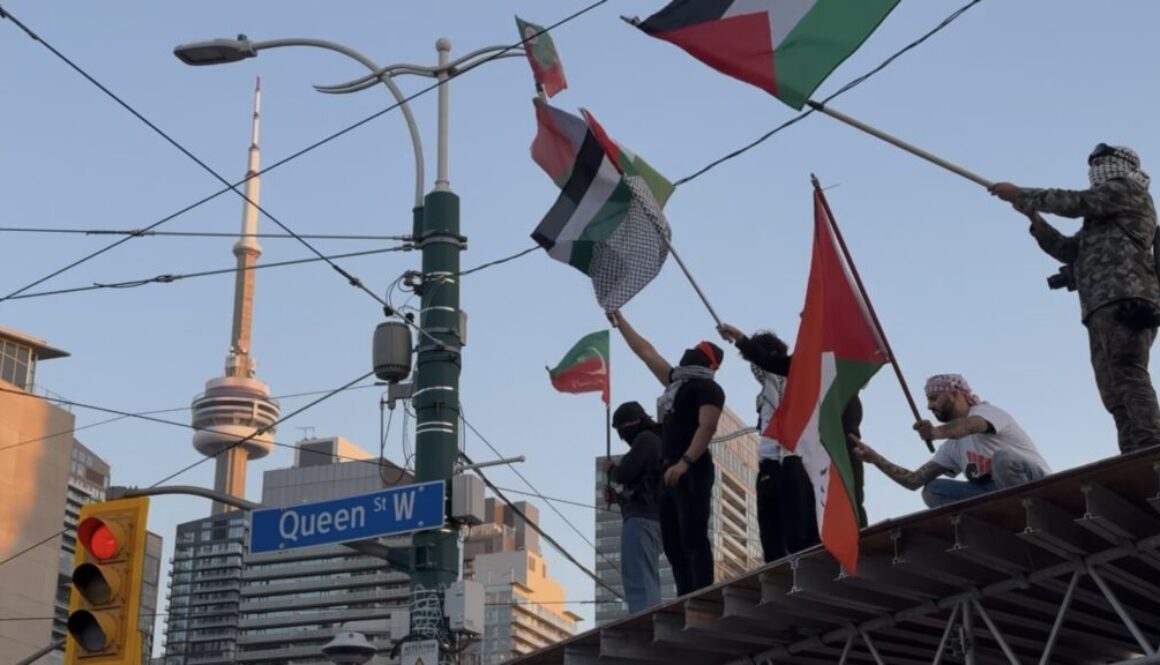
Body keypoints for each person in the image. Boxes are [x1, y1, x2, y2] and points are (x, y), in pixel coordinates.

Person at [990, 144, 1160, 454]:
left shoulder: (1127, 191)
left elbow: (1076, 202)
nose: (1096, 169)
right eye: (1093, 164)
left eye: (1102, 162)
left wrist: (1022, 194)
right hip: (1097, 307)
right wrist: (1035, 219)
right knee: (1111, 389)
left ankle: (1151, 445)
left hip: (1128, 300)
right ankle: (1134, 452)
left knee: (1128, 373)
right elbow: (1069, 251)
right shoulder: (1101, 221)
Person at [717, 322, 868, 554]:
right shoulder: (777, 382)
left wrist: (742, 341)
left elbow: (768, 365)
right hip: (774, 462)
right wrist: (742, 342)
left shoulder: (795, 376)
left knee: (804, 533)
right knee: (777, 539)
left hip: (799, 459)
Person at [607, 310, 724, 596]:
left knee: (693, 535)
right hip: (669, 469)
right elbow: (646, 352)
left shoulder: (708, 388)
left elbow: (707, 427)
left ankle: (703, 594)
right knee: (673, 542)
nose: (691, 353)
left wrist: (685, 462)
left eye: (699, 351)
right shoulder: (676, 383)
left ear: (710, 364)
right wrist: (621, 321)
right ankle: (686, 597)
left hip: (692, 467)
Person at [850, 374, 1050, 508]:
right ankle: (992, 519)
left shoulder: (987, 412)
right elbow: (914, 480)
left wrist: (934, 432)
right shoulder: (952, 446)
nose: (929, 406)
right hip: (996, 496)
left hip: (1032, 482)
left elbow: (969, 426)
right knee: (933, 491)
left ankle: (1027, 509)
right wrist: (875, 459)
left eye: (934, 398)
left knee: (1003, 459)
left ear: (955, 394)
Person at [605, 401, 663, 614]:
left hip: (642, 518)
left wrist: (611, 470)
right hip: (653, 517)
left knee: (639, 575)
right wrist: (620, 497)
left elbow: (624, 473)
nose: (622, 434)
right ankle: (649, 614)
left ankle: (644, 618)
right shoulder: (657, 441)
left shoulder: (646, 440)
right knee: (646, 574)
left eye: (621, 427)